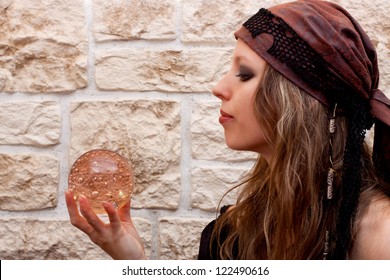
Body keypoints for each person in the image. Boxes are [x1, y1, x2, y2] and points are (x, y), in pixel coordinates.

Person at [65, 0, 390, 260]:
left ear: (300, 99)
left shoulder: (380, 236)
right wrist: (132, 261)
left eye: (245, 74)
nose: (219, 87)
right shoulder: (234, 233)